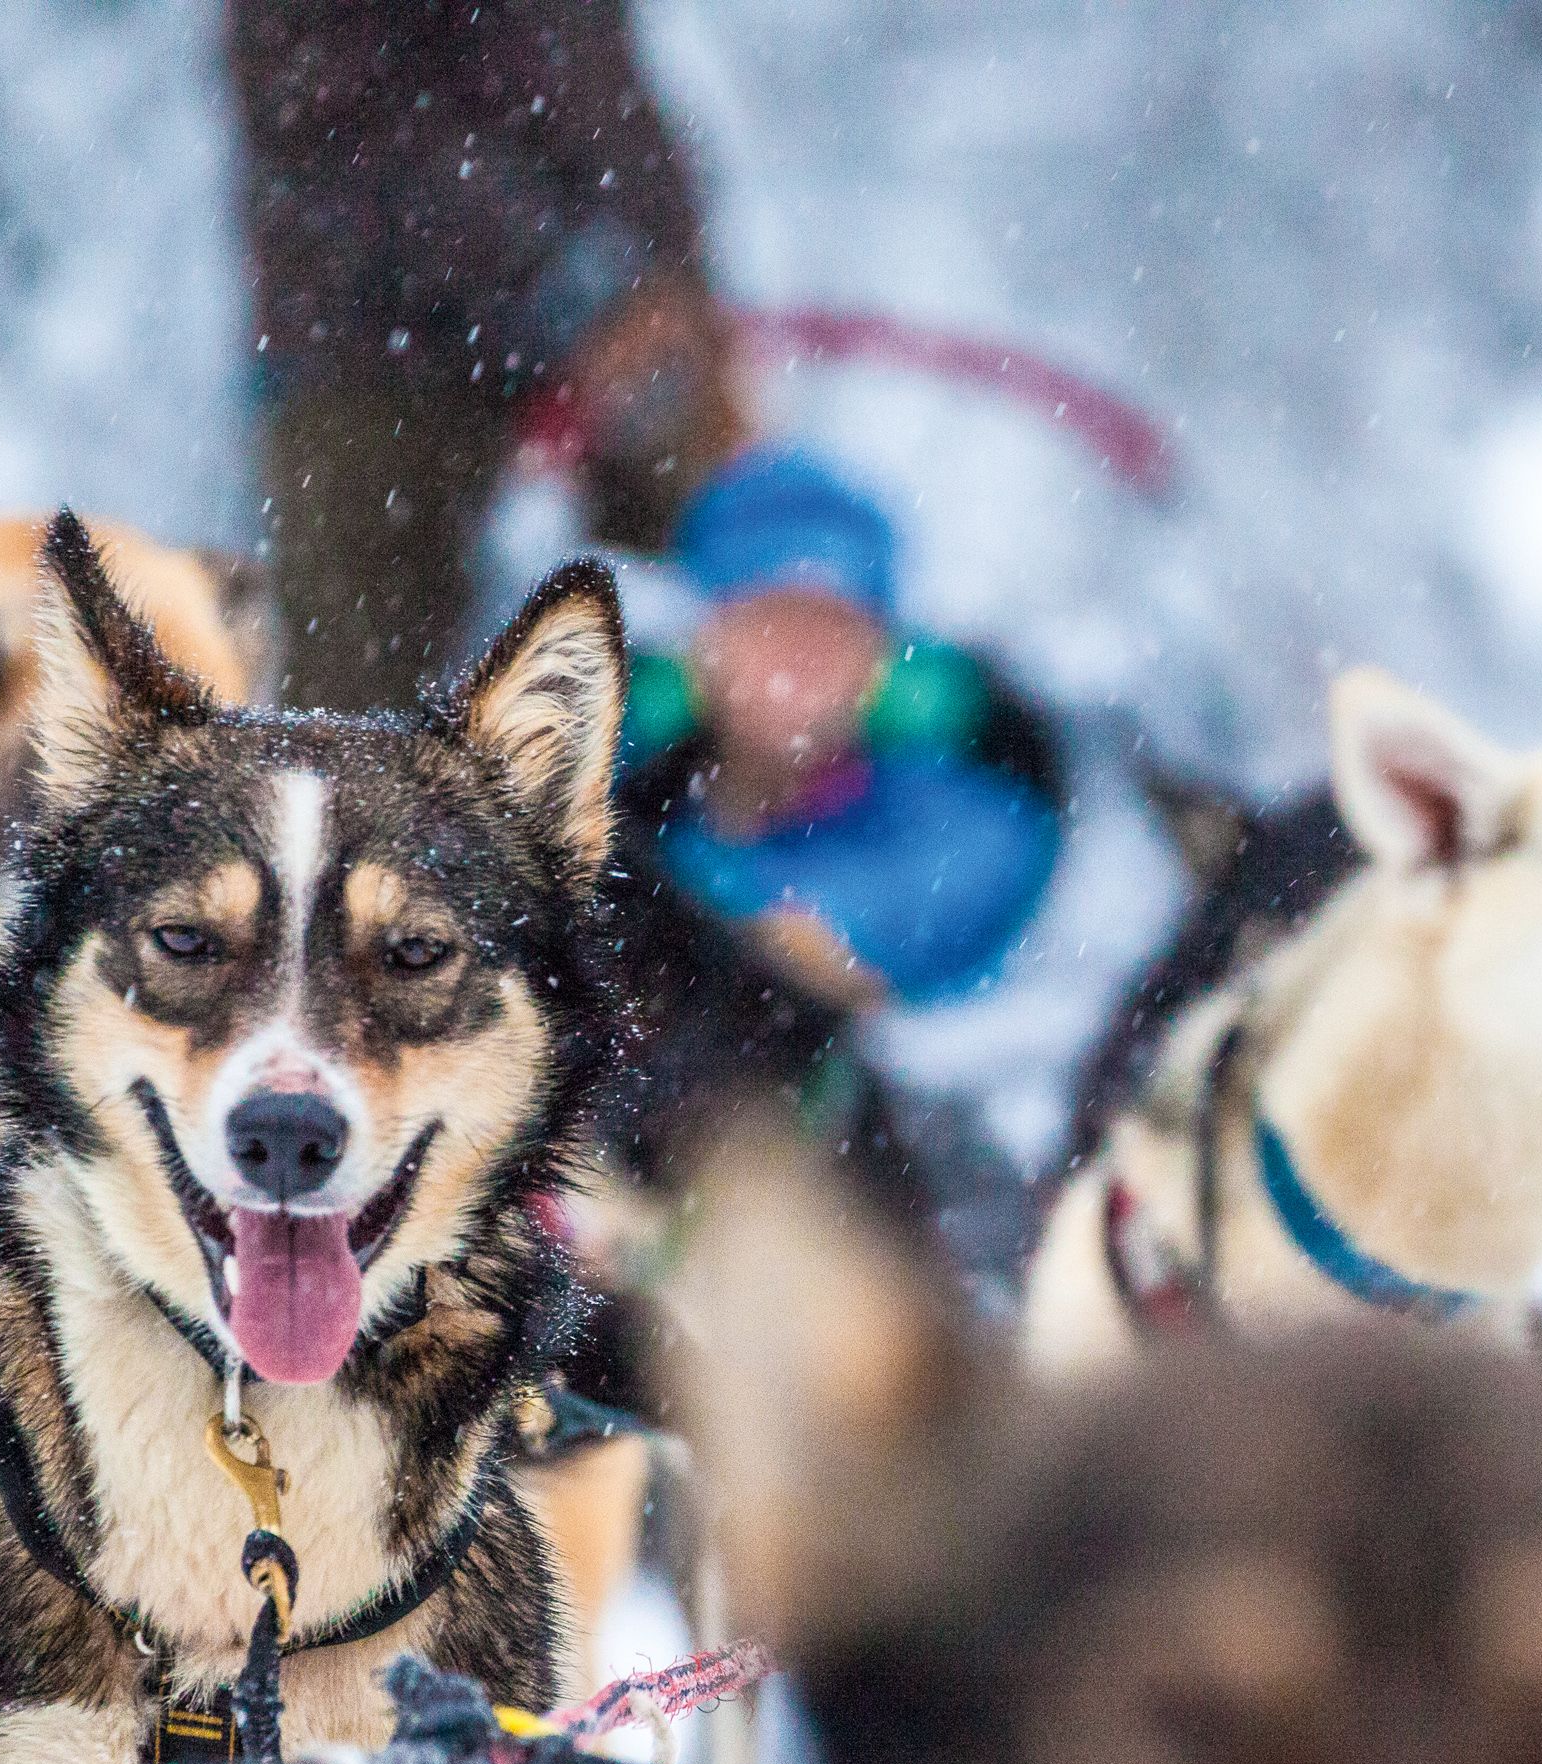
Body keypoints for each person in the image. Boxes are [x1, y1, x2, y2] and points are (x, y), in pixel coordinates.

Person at [228, 0, 746, 710]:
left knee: (711, 613)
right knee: (358, 692)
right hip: (376, 355)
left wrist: (675, 284)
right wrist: (583, 287)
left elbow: (611, 110)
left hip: (598, 329)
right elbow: (348, 128)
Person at [619, 447, 1066, 1009]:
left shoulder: (970, 827)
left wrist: (730, 899)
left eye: (836, 628)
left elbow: (831, 952)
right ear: (699, 647)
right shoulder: (625, 798)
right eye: (769, 622)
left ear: (884, 662)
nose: (802, 658)